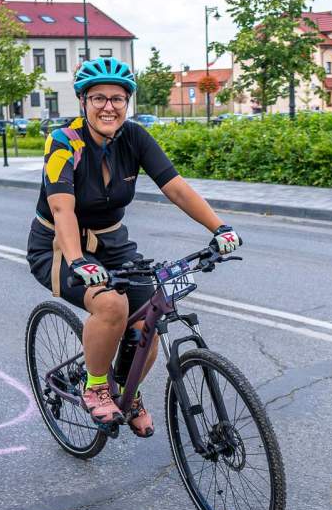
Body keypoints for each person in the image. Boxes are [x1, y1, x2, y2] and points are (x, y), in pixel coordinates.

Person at [26, 57, 241, 437]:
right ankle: (96, 386)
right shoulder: (63, 143)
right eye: (98, 98)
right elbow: (62, 207)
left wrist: (219, 228)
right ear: (83, 102)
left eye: (118, 98)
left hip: (113, 243)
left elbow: (175, 187)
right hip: (59, 245)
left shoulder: (135, 137)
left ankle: (129, 392)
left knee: (149, 316)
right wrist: (78, 261)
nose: (109, 106)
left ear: (128, 102)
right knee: (110, 304)